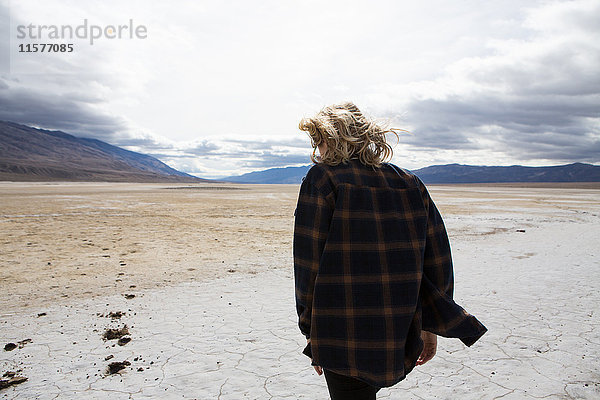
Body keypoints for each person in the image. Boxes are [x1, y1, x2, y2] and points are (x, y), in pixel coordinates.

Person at [293, 102, 488, 399]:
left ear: (334, 137)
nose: (317, 148)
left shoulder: (323, 179)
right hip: (397, 323)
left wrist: (311, 332)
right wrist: (430, 325)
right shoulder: (410, 183)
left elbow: (308, 264)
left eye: (319, 139)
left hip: (340, 328)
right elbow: (436, 261)